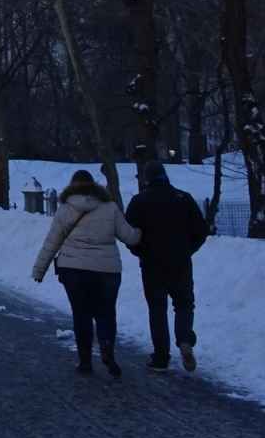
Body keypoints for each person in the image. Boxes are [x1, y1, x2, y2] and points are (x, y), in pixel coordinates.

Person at [32, 170, 141, 377]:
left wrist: (39, 269)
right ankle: (107, 347)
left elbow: (51, 242)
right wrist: (141, 232)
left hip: (73, 271)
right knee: (106, 312)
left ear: (73, 186)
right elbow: (129, 237)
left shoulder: (65, 208)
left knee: (81, 314)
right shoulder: (110, 207)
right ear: (94, 186)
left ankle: (85, 362)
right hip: (107, 271)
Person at [125, 161, 209, 372]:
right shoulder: (183, 198)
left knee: (157, 309)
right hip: (180, 262)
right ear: (165, 176)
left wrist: (141, 252)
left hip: (152, 264)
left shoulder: (139, 201)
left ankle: (161, 357)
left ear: (146, 179)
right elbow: (201, 230)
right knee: (184, 304)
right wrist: (187, 250)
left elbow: (129, 235)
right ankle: (184, 340)